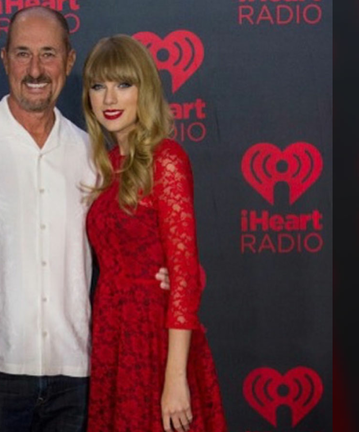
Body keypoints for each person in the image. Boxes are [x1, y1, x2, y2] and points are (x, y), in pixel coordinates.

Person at [0, 9, 169, 432]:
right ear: (5, 59)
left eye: (48, 54)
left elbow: (120, 244)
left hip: (76, 378)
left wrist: (154, 274)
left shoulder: (92, 154)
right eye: (23, 54)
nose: (36, 70)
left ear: (69, 60)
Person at [82, 35, 228, 432]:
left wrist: (175, 377)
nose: (109, 98)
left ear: (144, 90)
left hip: (155, 337)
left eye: (123, 84)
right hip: (111, 331)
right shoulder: (106, 165)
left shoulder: (166, 159)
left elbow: (184, 276)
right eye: (98, 86)